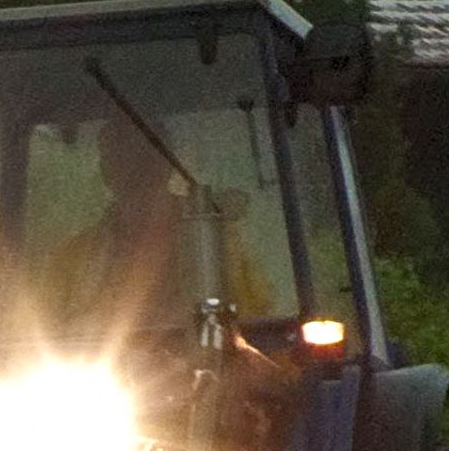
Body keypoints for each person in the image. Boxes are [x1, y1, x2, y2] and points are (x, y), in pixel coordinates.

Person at [34, 112, 272, 345]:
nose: (133, 167)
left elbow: (256, 322)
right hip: (106, 369)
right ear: (106, 171)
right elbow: (42, 339)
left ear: (166, 163)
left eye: (143, 154)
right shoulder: (73, 259)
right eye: (119, 156)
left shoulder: (218, 244)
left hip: (208, 365)